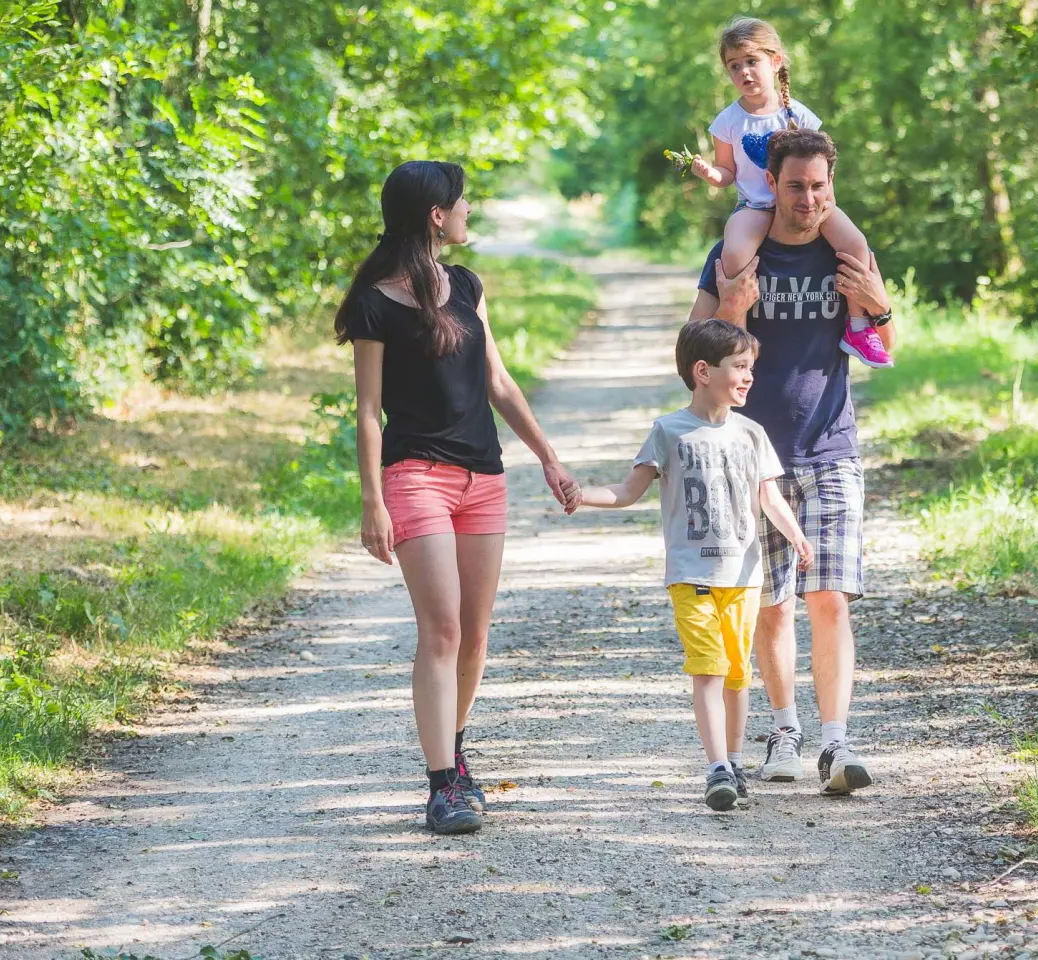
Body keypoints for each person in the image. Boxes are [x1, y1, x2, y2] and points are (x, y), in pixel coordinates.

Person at [334, 160, 581, 835]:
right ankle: (442, 784)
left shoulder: (468, 286)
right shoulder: (375, 303)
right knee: (440, 632)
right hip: (415, 477)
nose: (470, 208)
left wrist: (548, 457)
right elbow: (366, 410)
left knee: (474, 636)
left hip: (484, 478)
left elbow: (499, 382)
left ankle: (454, 750)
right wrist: (370, 500)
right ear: (435, 216)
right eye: (461, 201)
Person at [687, 128, 898, 796]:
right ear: (771, 185)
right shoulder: (736, 258)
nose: (808, 199)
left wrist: (877, 298)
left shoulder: (848, 255)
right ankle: (785, 729)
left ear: (832, 185)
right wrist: (732, 306)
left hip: (831, 445)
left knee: (830, 598)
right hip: (752, 457)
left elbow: (885, 343)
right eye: (796, 186)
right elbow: (692, 353)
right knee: (771, 608)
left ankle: (836, 743)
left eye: (820, 186)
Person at [566, 320, 812, 811]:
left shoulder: (752, 433)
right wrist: (583, 497)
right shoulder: (669, 431)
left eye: (751, 368)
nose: (749, 378)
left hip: (743, 577)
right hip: (691, 574)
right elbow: (629, 490)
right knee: (708, 669)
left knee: (738, 673)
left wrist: (796, 534)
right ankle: (716, 766)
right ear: (703, 371)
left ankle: (735, 762)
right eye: (740, 367)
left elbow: (768, 496)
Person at [683, 16, 893, 370]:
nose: (744, 72)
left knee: (856, 246)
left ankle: (858, 327)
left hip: (806, 203)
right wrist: (709, 172)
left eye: (752, 62)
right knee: (734, 254)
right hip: (754, 205)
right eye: (735, 66)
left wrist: (827, 208)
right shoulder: (727, 121)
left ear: (775, 61)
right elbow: (727, 173)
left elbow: (820, 169)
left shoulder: (799, 114)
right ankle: (739, 336)